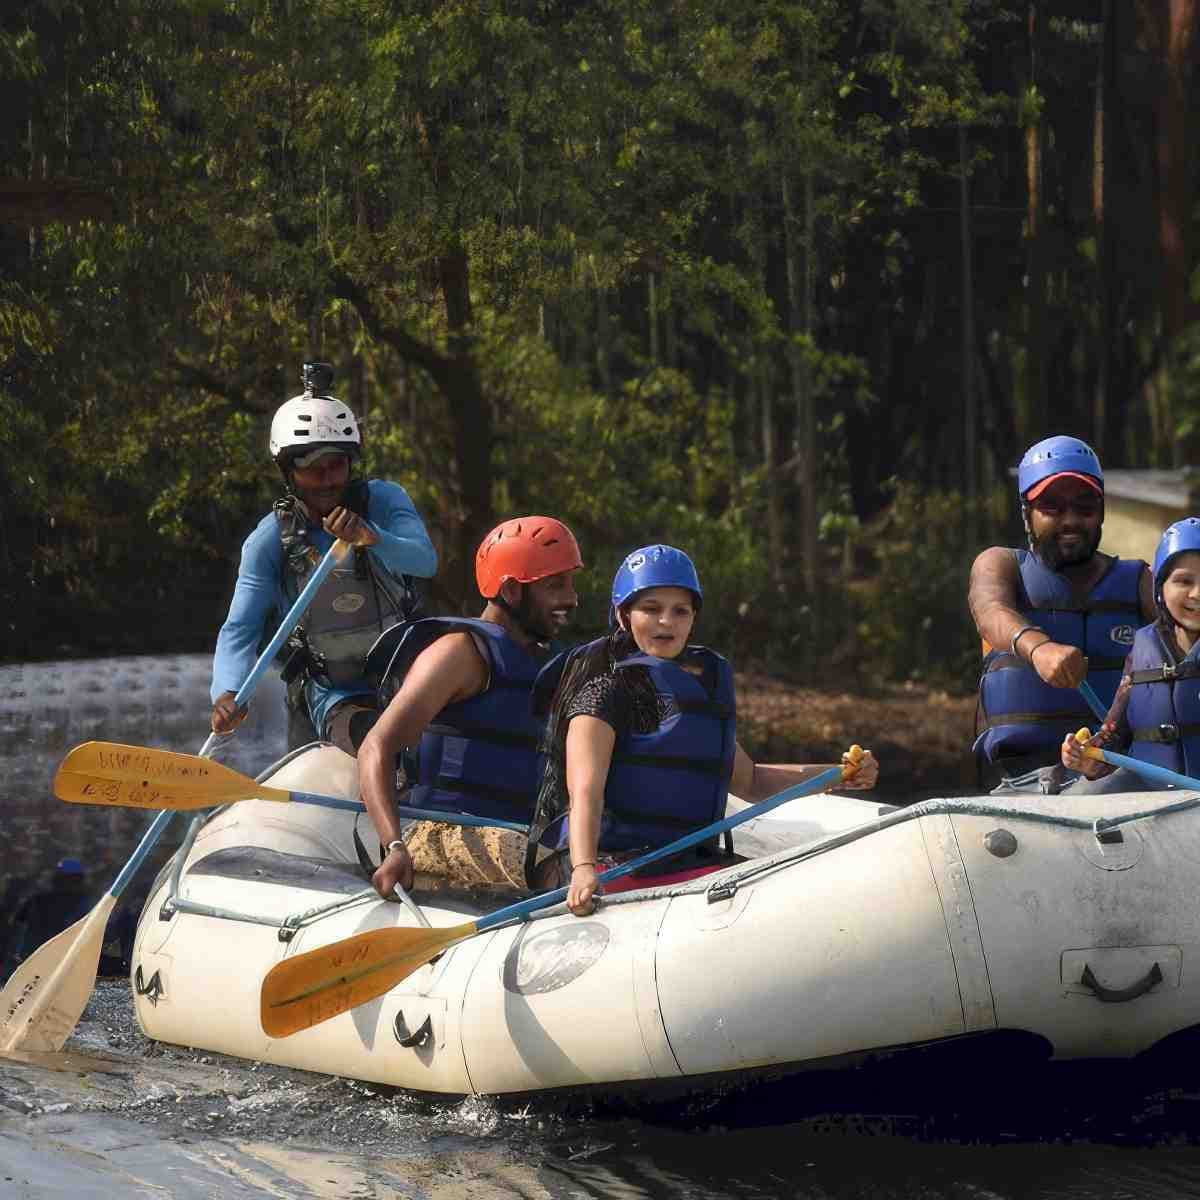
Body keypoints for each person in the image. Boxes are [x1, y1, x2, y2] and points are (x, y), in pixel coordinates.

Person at [526, 544, 879, 917]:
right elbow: (585, 793)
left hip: (689, 866)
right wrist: (583, 870)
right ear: (623, 614)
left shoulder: (701, 692)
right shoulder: (602, 691)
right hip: (614, 866)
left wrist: (838, 775)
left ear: (693, 618)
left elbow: (752, 781)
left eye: (680, 611)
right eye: (651, 609)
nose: (667, 622)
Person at [210, 362, 437, 754]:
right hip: (329, 695)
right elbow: (241, 629)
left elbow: (424, 561)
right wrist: (228, 691)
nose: (329, 480)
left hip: (404, 679)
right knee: (376, 744)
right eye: (313, 469)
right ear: (288, 472)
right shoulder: (269, 541)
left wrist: (373, 537)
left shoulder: (384, 501)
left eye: (337, 465)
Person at [358, 516, 583, 898]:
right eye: (555, 585)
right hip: (441, 833)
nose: (572, 598)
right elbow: (375, 747)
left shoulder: (551, 665)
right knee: (556, 867)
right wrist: (394, 845)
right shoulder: (459, 653)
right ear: (512, 591)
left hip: (521, 838)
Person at [969, 435, 1154, 789]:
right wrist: (1038, 648)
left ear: (1101, 513)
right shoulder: (1001, 565)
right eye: (1052, 507)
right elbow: (990, 610)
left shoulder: (1141, 581)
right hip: (1020, 784)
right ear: (1027, 514)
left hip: (1121, 783)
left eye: (1084, 508)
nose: (1070, 520)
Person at [1061, 518, 1200, 792]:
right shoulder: (1142, 651)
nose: (1198, 594)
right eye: (1184, 581)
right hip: (1149, 797)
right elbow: (1115, 734)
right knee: (1078, 796)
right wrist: (1088, 757)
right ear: (1160, 588)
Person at [7, 859, 91, 968]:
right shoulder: (36, 900)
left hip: (52, 960)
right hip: (38, 959)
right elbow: (17, 925)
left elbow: (16, 924)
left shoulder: (82, 903)